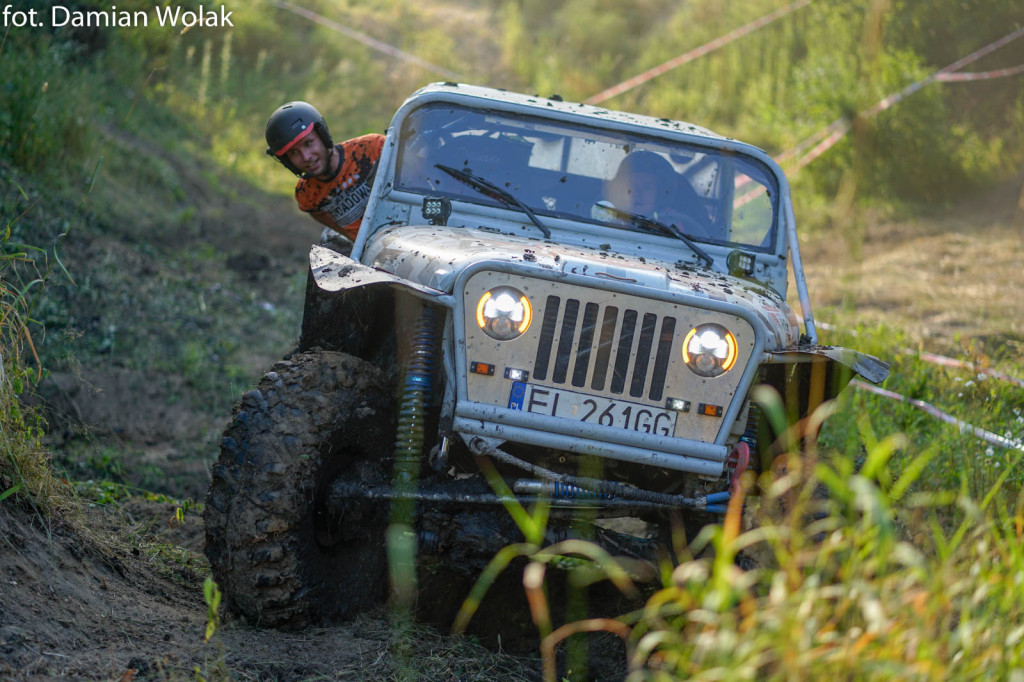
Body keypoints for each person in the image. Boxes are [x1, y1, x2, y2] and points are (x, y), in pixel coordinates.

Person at [265, 101, 386, 243]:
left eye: (308, 143)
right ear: (287, 162)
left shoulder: (373, 148)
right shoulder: (308, 196)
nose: (306, 157)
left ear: (322, 135)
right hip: (372, 248)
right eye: (293, 152)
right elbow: (349, 236)